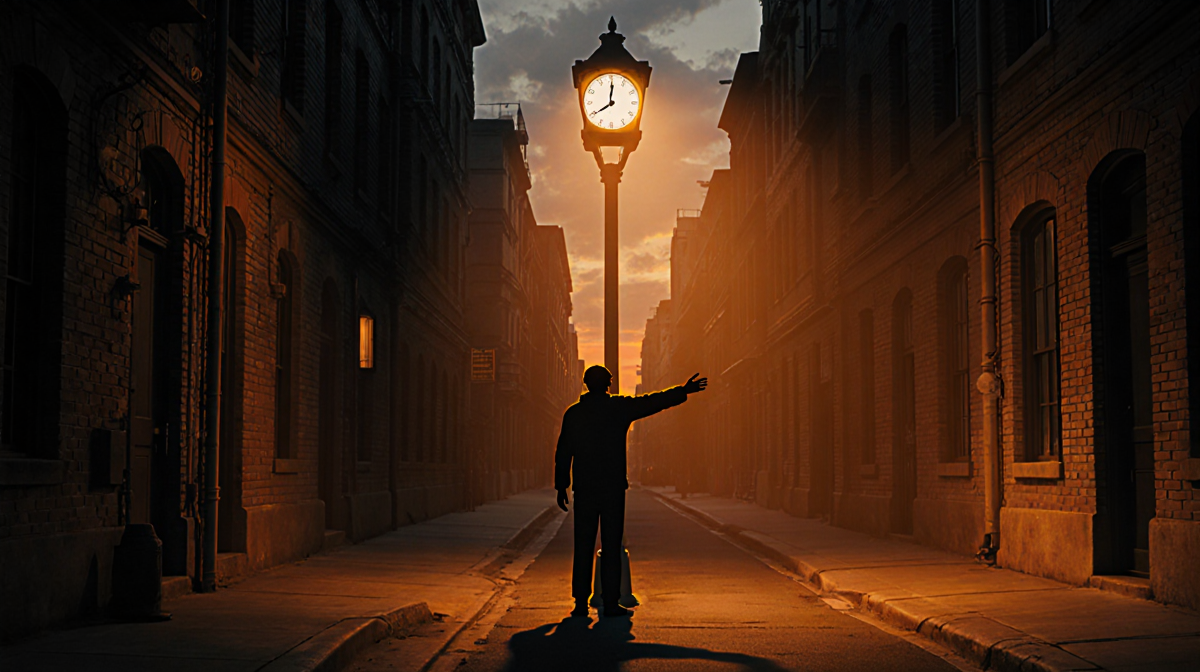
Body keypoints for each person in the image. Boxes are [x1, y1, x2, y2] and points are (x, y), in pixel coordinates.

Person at [554, 365, 708, 618]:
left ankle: (580, 602)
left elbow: (563, 452)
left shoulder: (574, 414)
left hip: (585, 487)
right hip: (613, 487)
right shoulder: (618, 408)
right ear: (609, 385)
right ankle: (611, 602)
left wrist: (562, 485)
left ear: (585, 384)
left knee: (583, 545)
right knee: (612, 545)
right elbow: (652, 402)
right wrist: (683, 391)